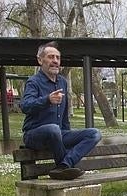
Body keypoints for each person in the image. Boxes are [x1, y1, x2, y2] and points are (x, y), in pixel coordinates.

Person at [20, 41, 101, 180]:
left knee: (94, 134)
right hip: (34, 135)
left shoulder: (62, 82)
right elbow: (25, 106)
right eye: (51, 57)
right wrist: (47, 100)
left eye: (57, 58)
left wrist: (68, 132)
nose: (55, 61)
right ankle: (65, 167)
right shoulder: (33, 82)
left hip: (58, 133)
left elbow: (64, 118)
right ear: (40, 60)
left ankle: (64, 165)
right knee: (53, 129)